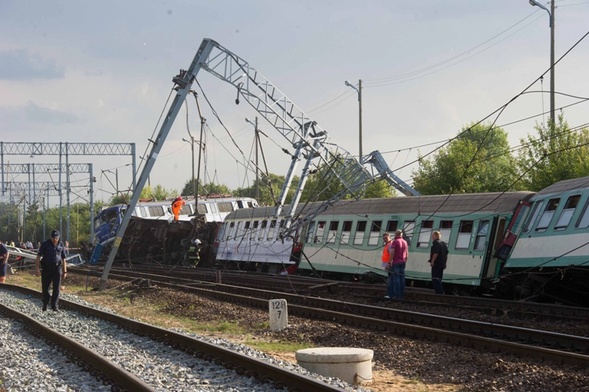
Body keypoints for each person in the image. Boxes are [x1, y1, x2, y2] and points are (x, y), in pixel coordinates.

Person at [35, 230, 68, 311]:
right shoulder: (45, 244)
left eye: (56, 238)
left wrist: (65, 271)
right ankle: (45, 303)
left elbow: (63, 258)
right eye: (53, 238)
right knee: (46, 287)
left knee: (56, 287)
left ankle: (54, 305)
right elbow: (38, 256)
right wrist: (37, 268)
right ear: (51, 237)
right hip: (46, 268)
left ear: (59, 237)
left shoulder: (61, 244)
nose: (55, 239)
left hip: (57, 268)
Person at [388, 229, 409, 299]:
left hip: (396, 262)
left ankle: (397, 295)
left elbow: (392, 252)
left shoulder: (395, 242)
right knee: (402, 279)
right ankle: (402, 294)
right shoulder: (405, 242)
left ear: (396, 234)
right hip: (403, 262)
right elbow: (407, 253)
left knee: (396, 278)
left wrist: (389, 262)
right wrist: (405, 261)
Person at [429, 230, 448, 294]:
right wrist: (445, 263)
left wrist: (432, 261)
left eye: (432, 235)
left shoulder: (436, 243)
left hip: (437, 264)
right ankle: (440, 292)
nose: (432, 237)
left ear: (435, 236)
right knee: (439, 278)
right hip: (442, 264)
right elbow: (446, 254)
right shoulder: (443, 243)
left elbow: (435, 253)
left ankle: (439, 292)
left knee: (435, 278)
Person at [381, 233, 393, 299]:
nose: (385, 239)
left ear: (389, 237)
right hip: (387, 264)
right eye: (384, 238)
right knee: (389, 279)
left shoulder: (390, 245)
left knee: (390, 280)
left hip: (389, 264)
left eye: (386, 238)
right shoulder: (387, 245)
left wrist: (389, 263)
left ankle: (390, 294)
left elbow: (391, 255)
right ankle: (390, 294)